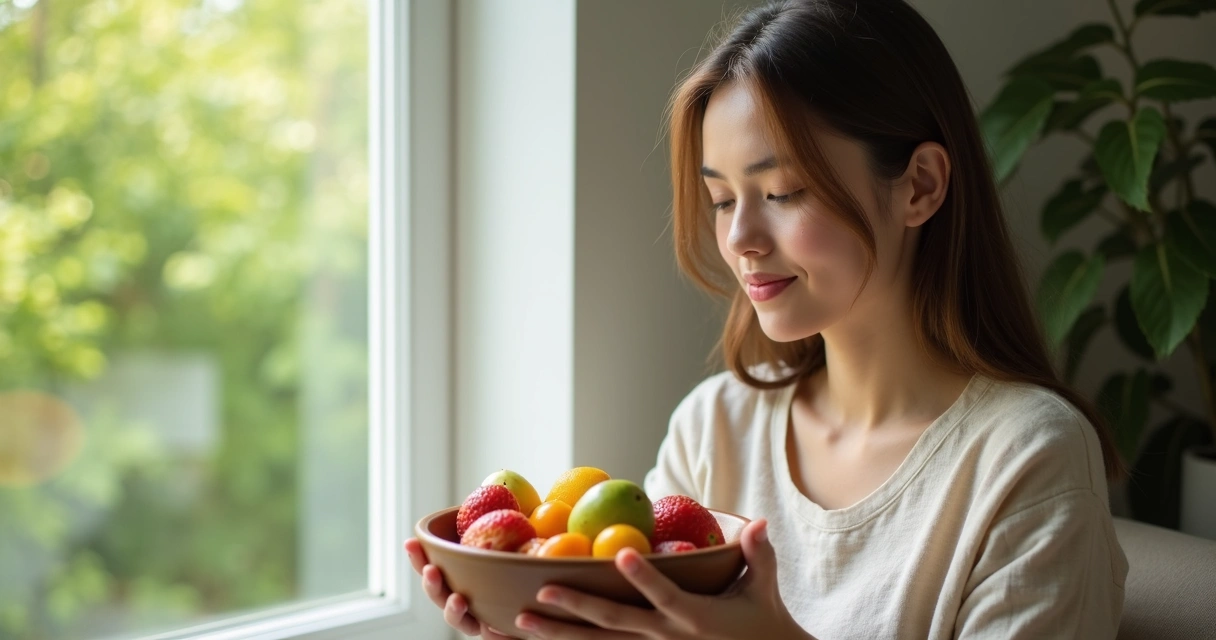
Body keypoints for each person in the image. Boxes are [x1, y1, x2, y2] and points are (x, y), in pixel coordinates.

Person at [404, 0, 1130, 637]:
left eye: (782, 192)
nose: (741, 239)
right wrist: (546, 625)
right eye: (722, 200)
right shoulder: (714, 430)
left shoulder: (1028, 457)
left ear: (920, 186)